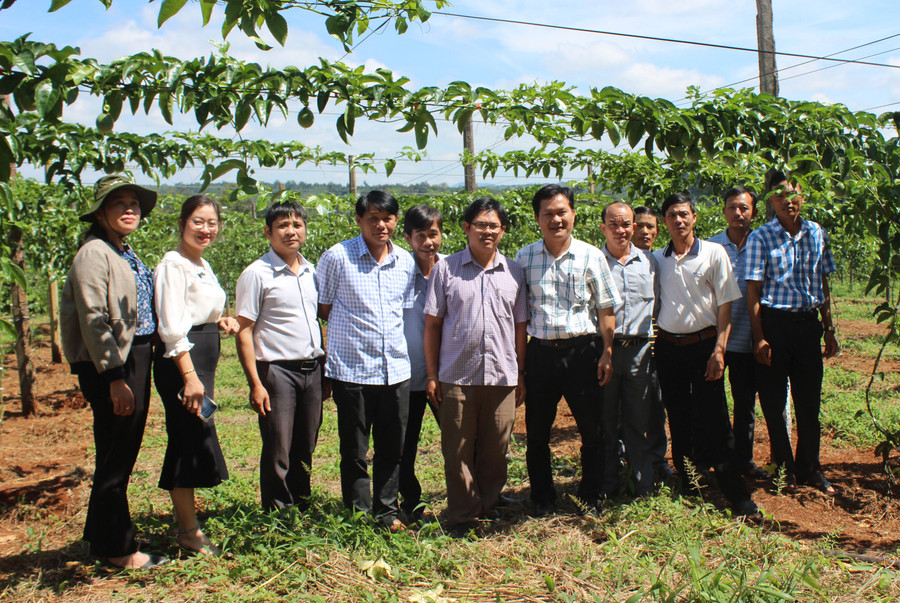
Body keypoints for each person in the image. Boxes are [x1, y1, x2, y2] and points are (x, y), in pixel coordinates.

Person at [61, 174, 167, 569]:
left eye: (134, 204)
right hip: (114, 365)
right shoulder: (94, 253)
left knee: (117, 451)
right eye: (120, 203)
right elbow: (94, 318)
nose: (129, 210)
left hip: (134, 357)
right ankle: (118, 550)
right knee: (116, 454)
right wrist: (115, 378)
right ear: (102, 211)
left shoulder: (120, 249)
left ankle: (104, 537)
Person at [424, 197, 527, 535]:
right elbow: (433, 325)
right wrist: (432, 375)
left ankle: (487, 503)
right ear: (466, 228)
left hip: (501, 375)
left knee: (496, 449)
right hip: (456, 376)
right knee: (457, 451)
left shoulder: (514, 272)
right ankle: (464, 516)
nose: (487, 231)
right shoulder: (446, 269)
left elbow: (519, 327)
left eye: (493, 225)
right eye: (480, 224)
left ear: (503, 230)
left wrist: (521, 373)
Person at [514, 185, 619, 515]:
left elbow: (605, 309)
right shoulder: (524, 257)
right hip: (541, 354)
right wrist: (519, 366)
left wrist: (606, 352)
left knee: (593, 430)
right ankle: (542, 496)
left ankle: (591, 494)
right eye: (548, 214)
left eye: (562, 212)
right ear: (537, 219)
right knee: (537, 432)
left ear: (573, 214)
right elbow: (518, 314)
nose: (556, 219)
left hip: (582, 353)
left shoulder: (591, 255)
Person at [653, 192, 758, 516]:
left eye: (684, 214)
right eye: (672, 215)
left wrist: (719, 350)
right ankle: (689, 483)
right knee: (679, 417)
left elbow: (726, 305)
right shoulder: (658, 258)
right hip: (669, 348)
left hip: (705, 347)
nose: (679, 220)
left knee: (715, 419)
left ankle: (735, 492)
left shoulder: (713, 253)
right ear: (664, 222)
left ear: (694, 217)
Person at [316, 190, 415, 531]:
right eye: (372, 218)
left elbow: (402, 312)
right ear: (359, 221)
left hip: (396, 370)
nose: (380, 225)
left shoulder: (405, 261)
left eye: (387, 218)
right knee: (355, 450)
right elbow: (323, 309)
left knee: (392, 448)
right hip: (353, 369)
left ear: (396, 221)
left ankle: (386, 512)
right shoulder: (337, 257)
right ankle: (358, 515)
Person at [154, 195, 239, 555]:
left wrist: (220, 320)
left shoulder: (200, 263)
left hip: (201, 356)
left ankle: (189, 526)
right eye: (198, 222)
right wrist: (189, 376)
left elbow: (198, 311)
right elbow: (172, 327)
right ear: (182, 223)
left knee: (194, 433)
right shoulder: (173, 265)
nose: (206, 229)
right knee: (186, 438)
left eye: (212, 223)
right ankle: (188, 533)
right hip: (182, 362)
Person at [745, 171, 839, 495]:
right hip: (774, 325)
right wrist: (759, 336)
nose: (788, 201)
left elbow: (824, 283)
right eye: (781, 196)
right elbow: (753, 292)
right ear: (772, 200)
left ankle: (809, 467)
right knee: (773, 401)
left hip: (807, 326)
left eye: (794, 194)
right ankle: (784, 469)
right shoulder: (761, 237)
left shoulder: (817, 234)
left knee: (809, 401)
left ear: (803, 197)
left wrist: (828, 329)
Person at [235, 202, 325, 512]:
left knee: (305, 444)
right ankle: (278, 513)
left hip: (312, 369)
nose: (291, 231)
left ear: (305, 229)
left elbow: (316, 321)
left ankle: (301, 503)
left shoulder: (312, 270)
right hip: (276, 371)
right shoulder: (256, 274)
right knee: (278, 446)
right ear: (268, 232)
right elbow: (243, 330)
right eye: (283, 226)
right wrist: (255, 383)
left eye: (297, 225)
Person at [599, 201, 657, 497]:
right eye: (613, 224)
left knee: (638, 421)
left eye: (626, 224)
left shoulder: (650, 262)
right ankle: (608, 484)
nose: (620, 230)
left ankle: (641, 484)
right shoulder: (594, 262)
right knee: (606, 423)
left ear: (634, 227)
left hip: (640, 352)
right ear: (603, 228)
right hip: (606, 352)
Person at [708, 187, 765, 478]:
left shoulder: (763, 243)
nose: (738, 213)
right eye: (732, 207)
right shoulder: (712, 247)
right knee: (713, 403)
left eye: (743, 208)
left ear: (753, 211)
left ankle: (743, 459)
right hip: (717, 339)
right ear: (724, 211)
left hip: (748, 338)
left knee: (745, 403)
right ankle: (718, 457)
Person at [400, 204, 444, 522]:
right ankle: (411, 502)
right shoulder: (398, 273)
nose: (428, 242)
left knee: (459, 439)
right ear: (408, 238)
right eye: (421, 236)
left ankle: (468, 495)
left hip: (446, 374)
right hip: (408, 373)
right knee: (405, 444)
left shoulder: (452, 271)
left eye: (434, 234)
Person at [629, 205, 671, 481]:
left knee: (656, 403)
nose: (645, 231)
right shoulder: (610, 258)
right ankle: (628, 457)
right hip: (626, 343)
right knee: (627, 406)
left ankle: (657, 458)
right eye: (640, 225)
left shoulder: (658, 261)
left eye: (651, 226)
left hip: (656, 341)